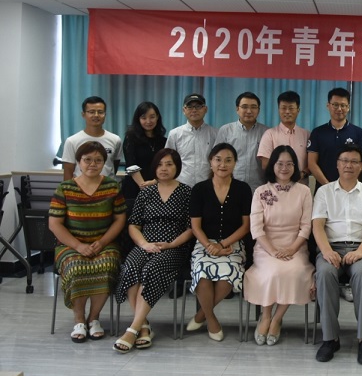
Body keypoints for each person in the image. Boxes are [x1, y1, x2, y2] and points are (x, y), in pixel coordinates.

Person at [113, 148, 193, 353]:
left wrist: (171, 244)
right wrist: (144, 244)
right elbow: (133, 225)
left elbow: (191, 228)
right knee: (131, 267)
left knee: (151, 269)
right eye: (159, 164)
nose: (164, 168)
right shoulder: (146, 192)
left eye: (169, 164)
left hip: (174, 247)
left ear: (177, 167)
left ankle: (132, 329)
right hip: (145, 244)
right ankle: (143, 326)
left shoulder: (186, 192)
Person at [48, 141, 126, 343]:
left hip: (104, 243)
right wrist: (78, 246)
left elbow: (120, 219)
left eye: (98, 160)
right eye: (87, 159)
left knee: (107, 265)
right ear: (78, 162)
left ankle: (94, 318)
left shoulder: (112, 186)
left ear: (104, 163)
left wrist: (102, 242)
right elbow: (55, 224)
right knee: (76, 267)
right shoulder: (65, 188)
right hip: (70, 245)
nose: (93, 164)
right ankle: (79, 319)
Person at [312, 144, 362, 365]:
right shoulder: (324, 191)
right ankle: (330, 338)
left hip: (361, 248)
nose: (349, 165)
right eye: (344, 161)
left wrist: (360, 252)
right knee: (324, 273)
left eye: (354, 161)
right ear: (337, 164)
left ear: (361, 166)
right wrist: (326, 251)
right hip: (330, 247)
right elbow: (317, 226)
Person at [243, 145, 314, 346]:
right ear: (272, 165)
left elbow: (306, 226)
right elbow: (256, 228)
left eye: (289, 164)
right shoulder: (261, 191)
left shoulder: (304, 191)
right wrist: (273, 251)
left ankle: (277, 318)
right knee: (272, 272)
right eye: (280, 163)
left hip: (295, 246)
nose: (284, 168)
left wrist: (292, 249)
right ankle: (265, 316)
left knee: (293, 272)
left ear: (295, 167)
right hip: (266, 247)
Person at [186, 143, 252, 341]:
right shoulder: (199, 189)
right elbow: (195, 226)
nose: (223, 164)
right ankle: (211, 319)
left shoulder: (243, 189)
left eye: (228, 160)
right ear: (210, 162)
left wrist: (222, 245)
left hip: (233, 243)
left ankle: (201, 315)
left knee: (228, 275)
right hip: (204, 243)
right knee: (202, 273)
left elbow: (246, 226)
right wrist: (209, 246)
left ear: (235, 163)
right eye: (218, 160)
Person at [308, 87, 362, 187]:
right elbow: (311, 163)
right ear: (328, 106)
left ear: (348, 107)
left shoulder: (358, 132)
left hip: (350, 189)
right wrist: (328, 186)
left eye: (343, 105)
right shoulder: (317, 132)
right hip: (324, 188)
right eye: (335, 105)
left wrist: (346, 185)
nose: (339, 109)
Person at [215, 91, 269, 192]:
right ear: (237, 109)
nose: (249, 111)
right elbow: (217, 159)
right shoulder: (226, 130)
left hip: (259, 188)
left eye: (253, 107)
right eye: (244, 107)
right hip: (230, 187)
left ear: (259, 110)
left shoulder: (267, 132)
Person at [61, 96, 122, 180]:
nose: (96, 115)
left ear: (105, 114)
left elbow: (114, 165)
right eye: (91, 112)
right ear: (83, 114)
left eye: (100, 112)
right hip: (81, 187)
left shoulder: (115, 139)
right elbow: (68, 172)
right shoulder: (72, 141)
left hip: (108, 186)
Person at [121, 101, 168, 212]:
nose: (148, 121)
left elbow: (166, 164)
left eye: (152, 117)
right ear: (138, 119)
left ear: (157, 117)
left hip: (158, 187)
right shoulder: (130, 138)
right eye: (143, 118)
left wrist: (154, 182)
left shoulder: (163, 141)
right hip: (134, 188)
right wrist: (144, 186)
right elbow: (131, 164)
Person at [166, 93, 218, 187]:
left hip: (208, 185)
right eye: (190, 107)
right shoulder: (175, 134)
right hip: (181, 185)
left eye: (198, 106)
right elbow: (168, 161)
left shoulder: (215, 133)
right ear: (184, 110)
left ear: (205, 109)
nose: (194, 110)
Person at [258, 91, 310, 183]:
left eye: (291, 108)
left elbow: (312, 163)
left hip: (301, 186)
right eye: (283, 108)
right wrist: (284, 177)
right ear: (278, 110)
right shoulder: (269, 134)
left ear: (298, 110)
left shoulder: (307, 135)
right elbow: (265, 165)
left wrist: (302, 174)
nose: (287, 112)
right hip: (276, 187)